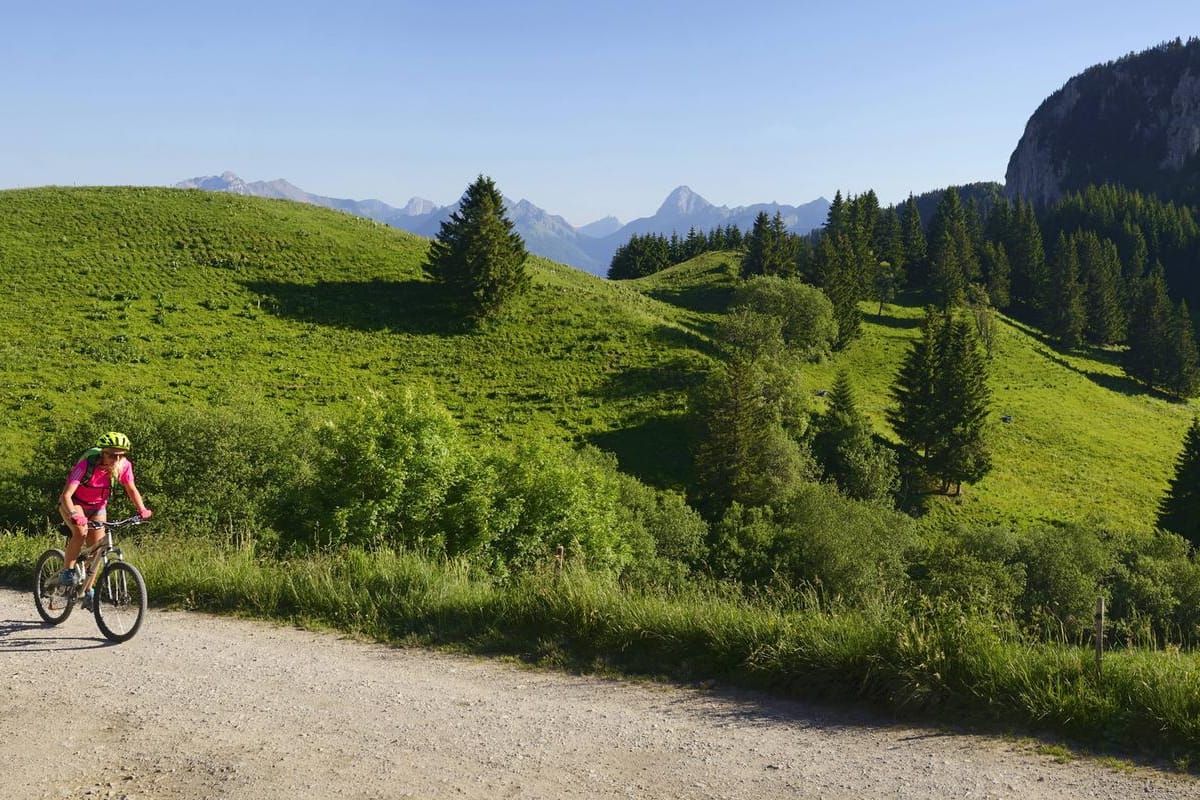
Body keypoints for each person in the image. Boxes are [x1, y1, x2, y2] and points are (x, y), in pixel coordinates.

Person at [58, 432, 153, 603]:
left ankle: (87, 590)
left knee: (97, 550)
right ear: (102, 453)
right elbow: (66, 495)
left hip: (98, 506)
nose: (116, 459)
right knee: (80, 532)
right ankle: (68, 571)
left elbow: (131, 489)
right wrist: (74, 514)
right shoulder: (86, 465)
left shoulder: (123, 466)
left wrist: (142, 509)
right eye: (112, 454)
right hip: (74, 503)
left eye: (121, 455)